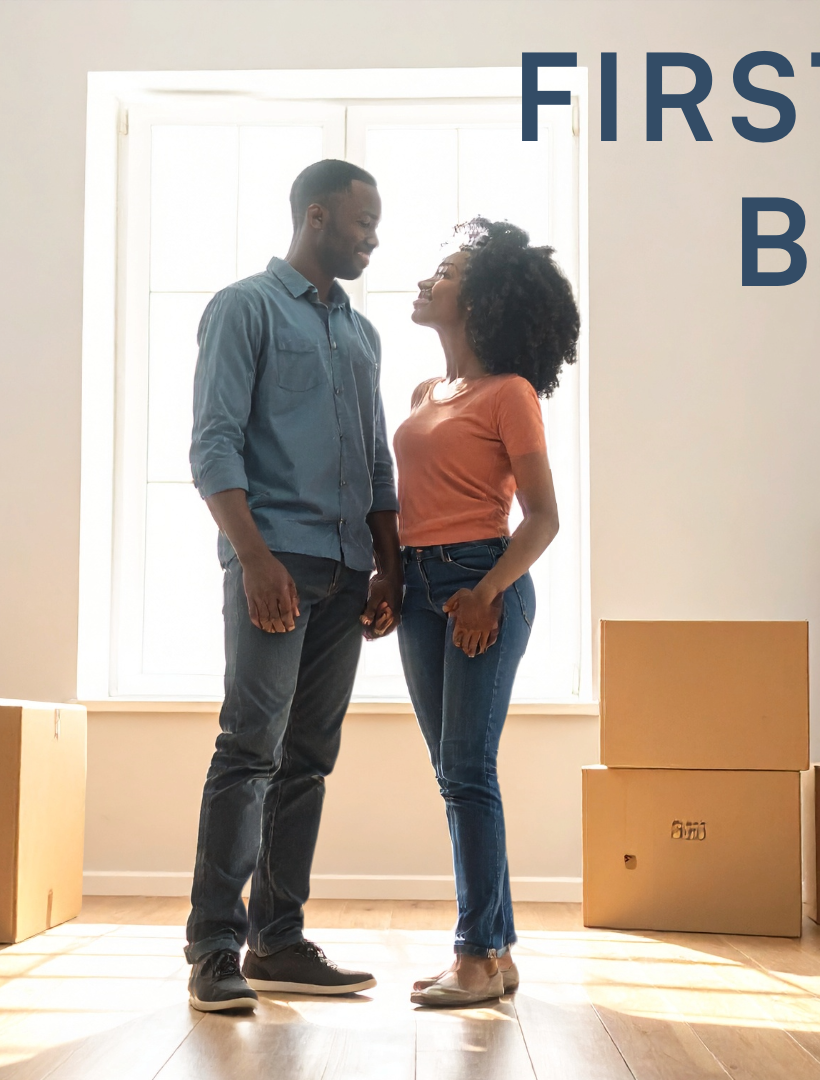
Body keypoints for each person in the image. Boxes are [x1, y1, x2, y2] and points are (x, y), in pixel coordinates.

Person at [182, 159, 401, 1012]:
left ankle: (278, 940)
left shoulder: (363, 334)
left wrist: (387, 562)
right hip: (275, 564)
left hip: (347, 573)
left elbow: (375, 461)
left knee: (307, 760)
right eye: (363, 222)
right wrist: (255, 558)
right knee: (250, 749)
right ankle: (213, 950)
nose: (373, 238)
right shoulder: (245, 309)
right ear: (316, 217)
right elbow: (214, 444)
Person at [392, 218, 579, 1007]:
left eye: (445, 272)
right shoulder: (424, 394)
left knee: (468, 770)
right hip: (417, 588)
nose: (427, 280)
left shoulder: (511, 394)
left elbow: (543, 518)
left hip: (481, 582)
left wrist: (487, 592)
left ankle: (472, 956)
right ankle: (497, 953)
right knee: (454, 772)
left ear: (481, 299)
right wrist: (391, 578)